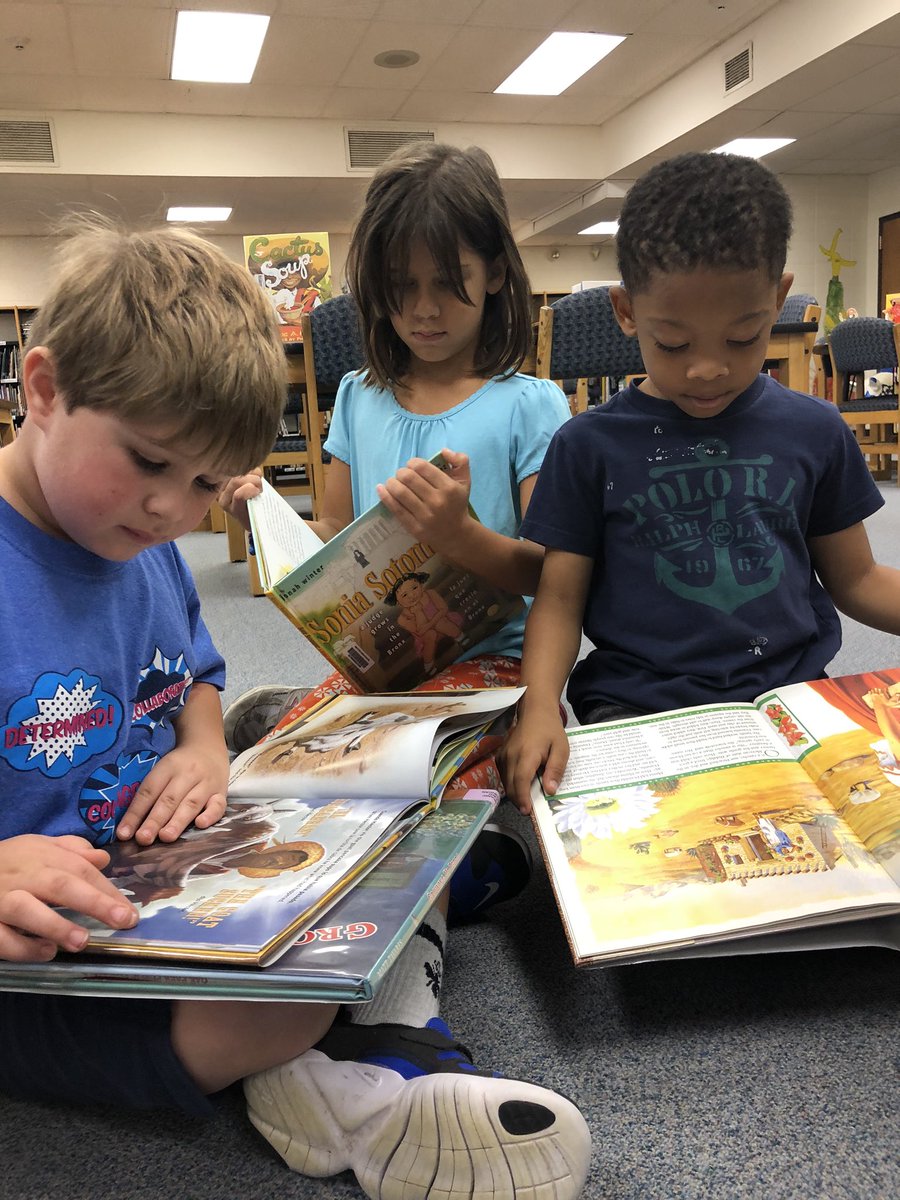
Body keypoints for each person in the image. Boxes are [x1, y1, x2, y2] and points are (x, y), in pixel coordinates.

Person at [0, 217, 591, 1200]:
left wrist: (199, 745)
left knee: (381, 773)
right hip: (46, 945)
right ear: (46, 389)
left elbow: (191, 672)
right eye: (149, 464)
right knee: (273, 1015)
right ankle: (370, 1085)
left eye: (201, 486)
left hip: (174, 864)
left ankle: (389, 965)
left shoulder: (141, 547)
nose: (168, 514)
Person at [220, 141, 571, 915]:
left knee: (415, 794)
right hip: (379, 670)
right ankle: (289, 717)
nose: (422, 309)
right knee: (271, 774)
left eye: (449, 285)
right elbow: (335, 537)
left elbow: (552, 575)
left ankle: (443, 893)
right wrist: (266, 517)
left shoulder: (529, 404)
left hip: (491, 674)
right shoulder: (357, 395)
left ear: (496, 275)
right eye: (400, 287)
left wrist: (462, 536)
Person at [502, 150, 900, 812]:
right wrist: (541, 703)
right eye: (675, 344)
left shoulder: (814, 430)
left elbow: (856, 579)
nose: (708, 370)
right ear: (627, 312)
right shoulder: (588, 444)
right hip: (638, 707)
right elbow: (561, 599)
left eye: (743, 338)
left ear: (777, 298)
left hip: (794, 699)